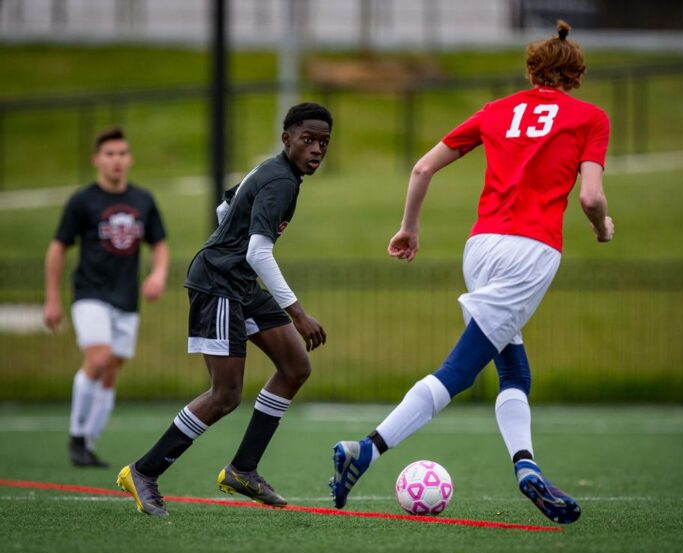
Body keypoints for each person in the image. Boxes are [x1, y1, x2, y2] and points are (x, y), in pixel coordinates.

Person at [329, 21, 613, 525]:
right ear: (575, 76)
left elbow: (422, 168)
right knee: (459, 371)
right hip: (532, 252)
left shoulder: (496, 111)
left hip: (480, 247)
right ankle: (366, 448)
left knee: (514, 370)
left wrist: (408, 229)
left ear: (532, 70)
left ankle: (527, 467)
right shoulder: (590, 118)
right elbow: (590, 196)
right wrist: (602, 225)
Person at [117, 102, 332, 516]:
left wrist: (228, 239)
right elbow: (258, 251)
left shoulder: (273, 171)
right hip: (217, 284)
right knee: (226, 394)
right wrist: (298, 314)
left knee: (295, 367)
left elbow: (226, 207)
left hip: (239, 283)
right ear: (286, 138)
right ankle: (143, 472)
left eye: (324, 142)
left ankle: (243, 470)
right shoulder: (280, 182)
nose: (317, 149)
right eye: (308, 139)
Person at [44, 127, 169, 468]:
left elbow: (159, 244)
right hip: (90, 294)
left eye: (122, 153)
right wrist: (52, 299)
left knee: (111, 371)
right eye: (110, 154)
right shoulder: (83, 201)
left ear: (129, 159)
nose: (117, 160)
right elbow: (57, 249)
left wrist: (157, 274)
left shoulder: (143, 200)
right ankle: (76, 438)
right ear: (97, 159)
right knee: (97, 360)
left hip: (127, 298)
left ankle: (88, 442)